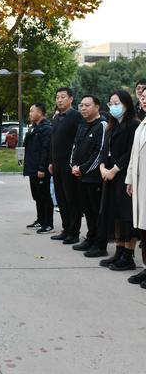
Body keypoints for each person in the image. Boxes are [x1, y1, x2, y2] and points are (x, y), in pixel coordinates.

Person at [97, 90, 140, 270]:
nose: (113, 107)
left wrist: (114, 170)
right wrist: (102, 167)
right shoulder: (111, 125)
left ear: (126, 104)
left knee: (126, 216)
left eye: (117, 104)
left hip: (123, 175)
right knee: (114, 214)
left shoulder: (134, 124)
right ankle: (119, 251)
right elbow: (104, 149)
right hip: (109, 175)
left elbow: (131, 152)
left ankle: (128, 256)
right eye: (111, 104)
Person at [70, 95, 107, 257]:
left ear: (97, 107)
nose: (83, 108)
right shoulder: (82, 125)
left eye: (87, 105)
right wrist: (73, 166)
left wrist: (83, 169)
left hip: (94, 177)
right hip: (80, 176)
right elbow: (75, 147)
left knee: (96, 211)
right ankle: (90, 238)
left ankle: (100, 244)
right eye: (81, 105)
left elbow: (100, 152)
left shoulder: (102, 125)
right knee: (87, 210)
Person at [49, 87, 83, 244]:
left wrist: (76, 163)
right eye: (57, 97)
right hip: (56, 164)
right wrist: (51, 161)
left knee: (72, 199)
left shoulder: (77, 117)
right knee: (61, 198)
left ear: (71, 99)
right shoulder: (56, 117)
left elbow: (79, 142)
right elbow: (53, 141)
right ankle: (65, 229)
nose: (59, 100)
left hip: (69, 165)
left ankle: (74, 232)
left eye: (63, 97)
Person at [126, 86, 146, 286]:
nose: (144, 100)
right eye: (143, 97)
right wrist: (130, 180)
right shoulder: (142, 125)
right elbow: (134, 155)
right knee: (142, 229)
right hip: (140, 184)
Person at [23, 103, 54, 233]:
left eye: (32, 111)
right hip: (32, 168)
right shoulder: (34, 127)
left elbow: (45, 150)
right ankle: (40, 220)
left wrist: (42, 168)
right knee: (37, 196)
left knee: (45, 196)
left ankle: (48, 223)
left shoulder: (46, 128)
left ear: (40, 113)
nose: (30, 114)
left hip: (40, 169)